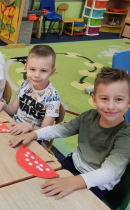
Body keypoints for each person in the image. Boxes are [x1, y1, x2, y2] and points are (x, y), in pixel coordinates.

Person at [8, 67, 130, 200]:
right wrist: (34, 134)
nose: (110, 106)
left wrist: (74, 182)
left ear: (128, 102)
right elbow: (60, 129)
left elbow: (109, 172)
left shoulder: (125, 135)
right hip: (73, 163)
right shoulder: (88, 116)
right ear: (94, 99)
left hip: (98, 183)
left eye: (119, 99)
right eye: (104, 99)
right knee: (37, 185)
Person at [0, 45, 60, 135]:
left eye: (43, 71)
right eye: (32, 69)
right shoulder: (25, 84)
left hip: (32, 135)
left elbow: (45, 131)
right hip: (14, 126)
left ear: (52, 72)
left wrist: (30, 127)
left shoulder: (53, 98)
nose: (36, 75)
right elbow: (12, 109)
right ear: (26, 67)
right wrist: (3, 105)